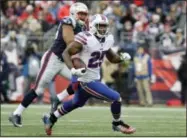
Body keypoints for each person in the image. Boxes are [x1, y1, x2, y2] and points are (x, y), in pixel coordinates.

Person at [42, 14, 136, 136]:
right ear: (93, 26)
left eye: (104, 26)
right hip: (86, 80)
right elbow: (66, 53)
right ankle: (116, 124)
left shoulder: (107, 39)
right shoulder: (85, 38)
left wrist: (122, 58)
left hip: (94, 78)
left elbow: (112, 57)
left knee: (76, 103)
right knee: (116, 97)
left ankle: (50, 119)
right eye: (100, 26)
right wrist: (73, 70)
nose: (103, 29)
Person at [9, 2, 89, 127]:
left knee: (82, 80)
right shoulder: (68, 21)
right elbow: (70, 42)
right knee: (39, 89)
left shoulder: (83, 28)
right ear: (73, 13)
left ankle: (58, 99)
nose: (83, 17)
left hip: (64, 61)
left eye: (85, 14)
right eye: (81, 14)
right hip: (53, 59)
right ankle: (16, 114)